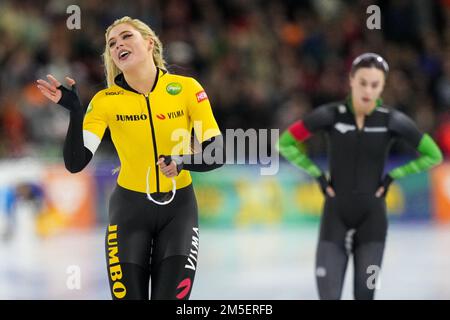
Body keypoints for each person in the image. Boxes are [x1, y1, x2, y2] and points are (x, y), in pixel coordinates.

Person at [37, 16, 223, 300]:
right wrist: (75, 112)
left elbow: (217, 152)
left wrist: (183, 161)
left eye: (126, 37)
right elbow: (76, 163)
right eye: (112, 43)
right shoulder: (105, 101)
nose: (118, 45)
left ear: (149, 43)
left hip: (180, 213)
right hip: (128, 213)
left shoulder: (187, 89)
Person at [277, 53, 443, 300]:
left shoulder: (392, 121)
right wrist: (317, 174)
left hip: (373, 222)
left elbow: (433, 155)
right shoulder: (329, 115)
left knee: (365, 295)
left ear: (382, 86)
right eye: (363, 82)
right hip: (335, 217)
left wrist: (393, 176)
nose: (368, 90)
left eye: (375, 85)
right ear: (351, 80)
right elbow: (285, 143)